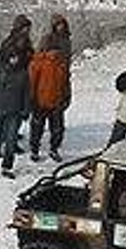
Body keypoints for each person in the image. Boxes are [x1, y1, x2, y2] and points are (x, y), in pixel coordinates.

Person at [0, 41, 32, 177]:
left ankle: (7, 166)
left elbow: (27, 94)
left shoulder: (23, 74)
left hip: (15, 111)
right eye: (12, 57)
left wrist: (26, 110)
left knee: (11, 139)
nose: (14, 59)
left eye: (16, 57)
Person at [27, 15, 72, 162]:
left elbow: (66, 82)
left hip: (55, 100)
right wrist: (31, 98)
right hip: (41, 100)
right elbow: (32, 81)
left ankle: (52, 149)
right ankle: (35, 149)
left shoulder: (62, 65)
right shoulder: (39, 62)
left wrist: (67, 96)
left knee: (56, 128)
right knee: (39, 127)